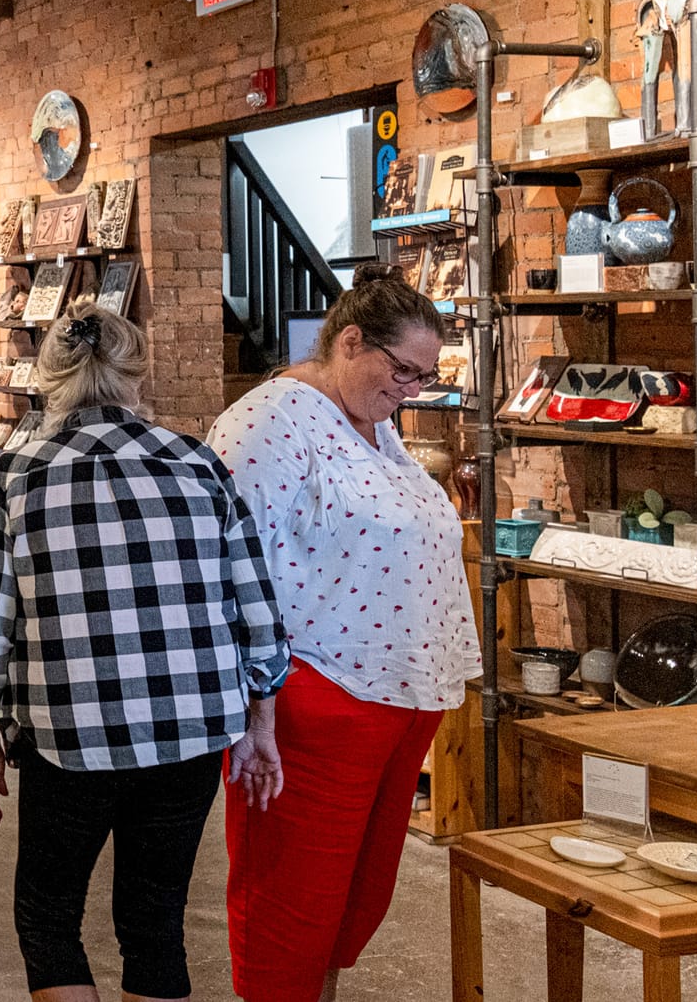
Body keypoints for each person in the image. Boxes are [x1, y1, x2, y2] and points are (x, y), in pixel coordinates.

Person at [0, 302, 289, 1002]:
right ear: (137, 373)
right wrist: (261, 726)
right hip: (192, 728)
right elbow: (258, 613)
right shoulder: (198, 462)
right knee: (154, 921)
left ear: (47, 378)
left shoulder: (16, 474)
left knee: (49, 915)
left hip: (70, 730)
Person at [208, 263, 477, 1002]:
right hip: (314, 700)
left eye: (425, 377)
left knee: (349, 904)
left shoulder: (374, 423)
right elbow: (233, 565)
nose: (411, 389)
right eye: (404, 371)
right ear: (351, 340)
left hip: (395, 697)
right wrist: (258, 705)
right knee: (290, 904)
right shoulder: (271, 419)